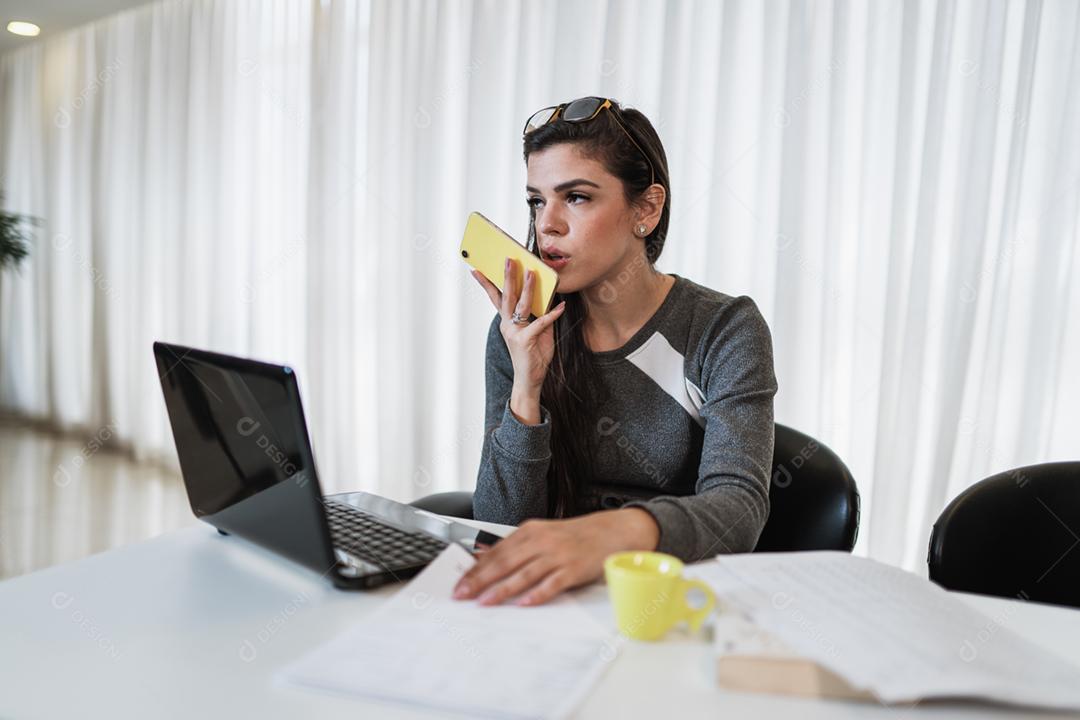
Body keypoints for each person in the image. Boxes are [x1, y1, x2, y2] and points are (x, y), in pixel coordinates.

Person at [453, 97, 777, 607]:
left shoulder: (724, 328)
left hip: (664, 599)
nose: (547, 226)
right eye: (537, 201)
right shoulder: (519, 331)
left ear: (645, 208)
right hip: (548, 604)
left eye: (576, 197)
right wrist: (526, 386)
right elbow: (498, 528)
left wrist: (609, 535)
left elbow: (737, 509)